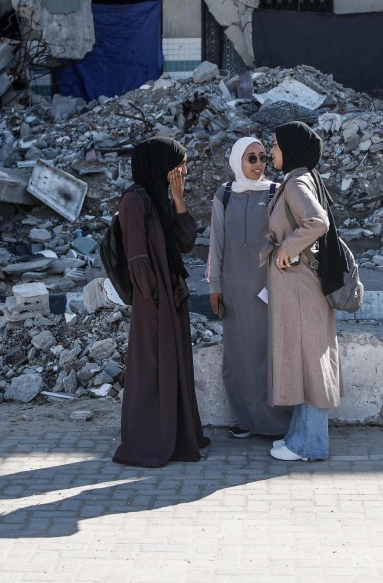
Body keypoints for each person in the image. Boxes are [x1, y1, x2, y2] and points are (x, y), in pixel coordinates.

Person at [112, 137, 211, 467]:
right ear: (161, 165)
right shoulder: (134, 201)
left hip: (172, 297)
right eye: (178, 164)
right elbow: (137, 257)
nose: (182, 170)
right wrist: (153, 298)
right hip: (154, 301)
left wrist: (178, 199)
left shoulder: (158, 198)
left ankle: (178, 433)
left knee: (174, 363)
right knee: (152, 366)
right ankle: (147, 439)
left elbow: (184, 241)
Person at [263, 121, 346, 462]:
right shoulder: (301, 178)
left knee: (310, 363)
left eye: (275, 145)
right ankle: (298, 438)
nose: (270, 152)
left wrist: (288, 248)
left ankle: (311, 446)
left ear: (291, 149)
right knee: (302, 362)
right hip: (297, 288)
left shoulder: (297, 183)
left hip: (301, 289)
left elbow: (318, 221)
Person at [206, 137, 292, 440]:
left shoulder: (274, 192)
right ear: (237, 162)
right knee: (237, 354)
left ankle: (274, 422)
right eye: (251, 159)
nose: (259, 164)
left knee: (267, 353)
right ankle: (243, 419)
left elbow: (284, 238)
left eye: (262, 158)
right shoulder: (225, 194)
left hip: (266, 287)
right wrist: (215, 285)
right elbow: (216, 243)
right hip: (232, 287)